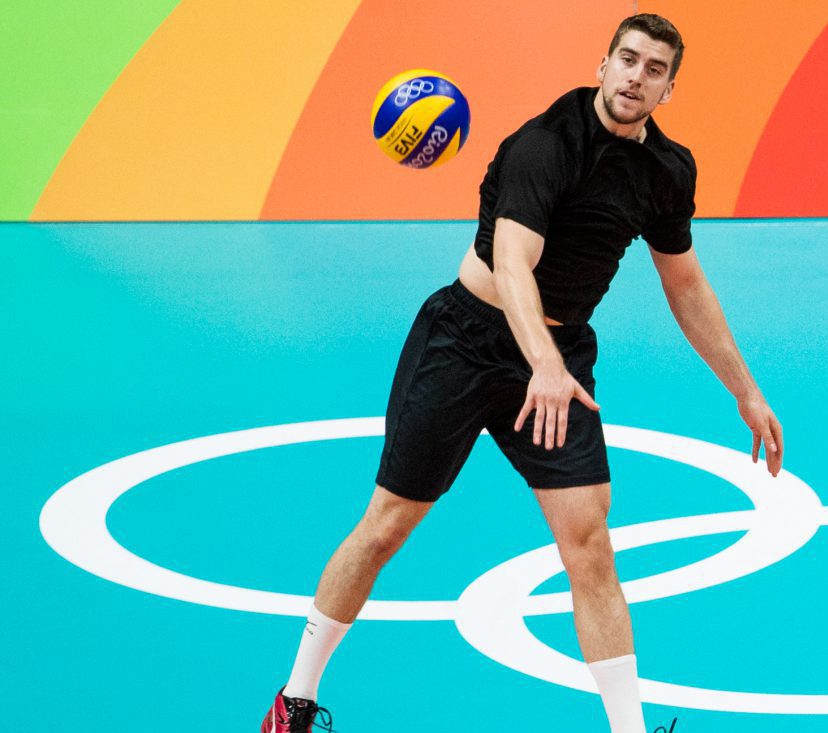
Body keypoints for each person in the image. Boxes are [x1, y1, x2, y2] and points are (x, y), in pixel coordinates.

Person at [260, 13, 784, 733]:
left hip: (557, 360)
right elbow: (512, 264)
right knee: (385, 527)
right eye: (627, 59)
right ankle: (292, 701)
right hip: (465, 342)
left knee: (589, 544)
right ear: (603, 65)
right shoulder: (545, 144)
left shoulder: (667, 170)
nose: (636, 76)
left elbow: (685, 284)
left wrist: (745, 391)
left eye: (654, 69)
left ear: (668, 89)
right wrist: (541, 362)